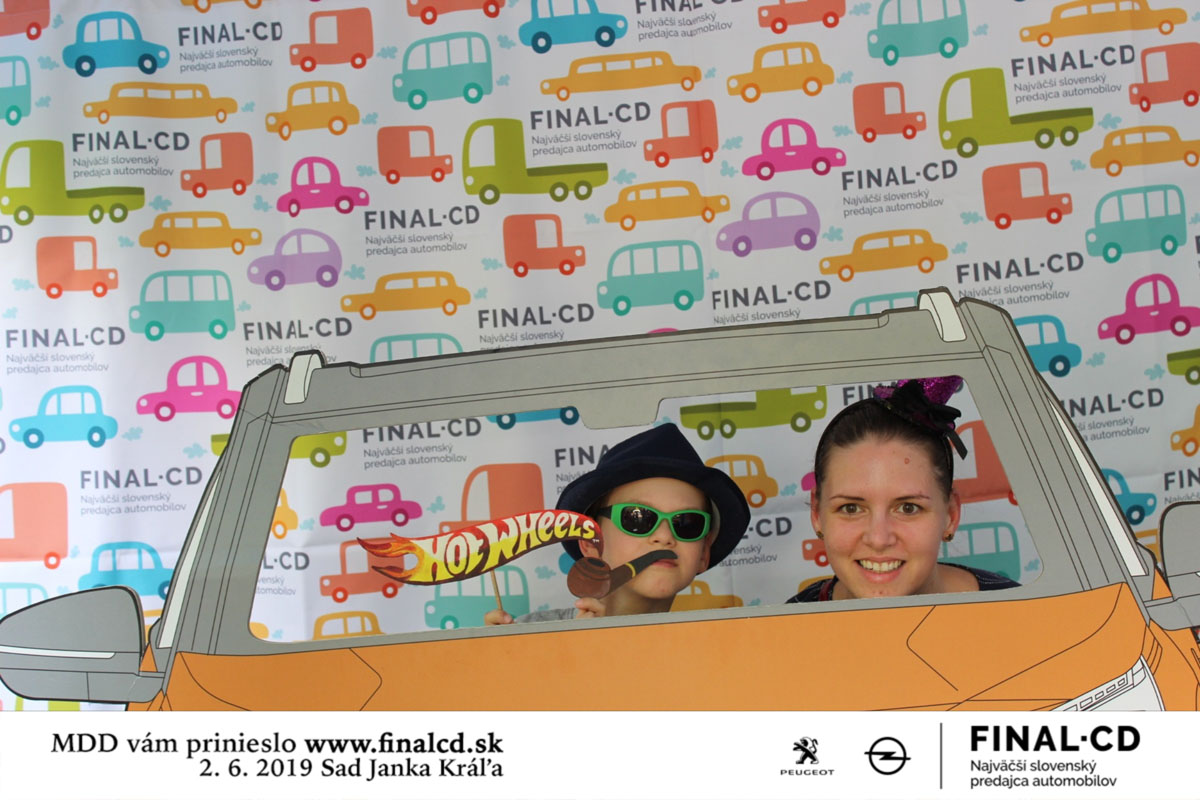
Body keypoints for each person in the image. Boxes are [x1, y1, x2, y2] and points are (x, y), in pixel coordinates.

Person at [486, 422, 750, 623]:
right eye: (637, 518)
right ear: (591, 544)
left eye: (687, 523)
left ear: (703, 554)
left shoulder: (714, 655)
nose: (664, 536)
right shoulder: (528, 637)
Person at [788, 377, 1020, 603]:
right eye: (851, 508)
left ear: (951, 515)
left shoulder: (1025, 617)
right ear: (817, 514)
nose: (879, 539)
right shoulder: (786, 624)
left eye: (908, 508)